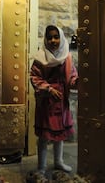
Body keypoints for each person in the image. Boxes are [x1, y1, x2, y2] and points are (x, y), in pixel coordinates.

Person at [30, 25, 78, 174]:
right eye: (49, 37)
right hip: (46, 103)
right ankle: (41, 167)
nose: (53, 40)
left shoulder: (67, 57)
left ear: (61, 38)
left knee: (60, 134)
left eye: (56, 37)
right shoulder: (40, 58)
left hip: (61, 102)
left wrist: (76, 82)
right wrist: (49, 89)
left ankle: (59, 162)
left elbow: (72, 76)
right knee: (44, 136)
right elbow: (35, 77)